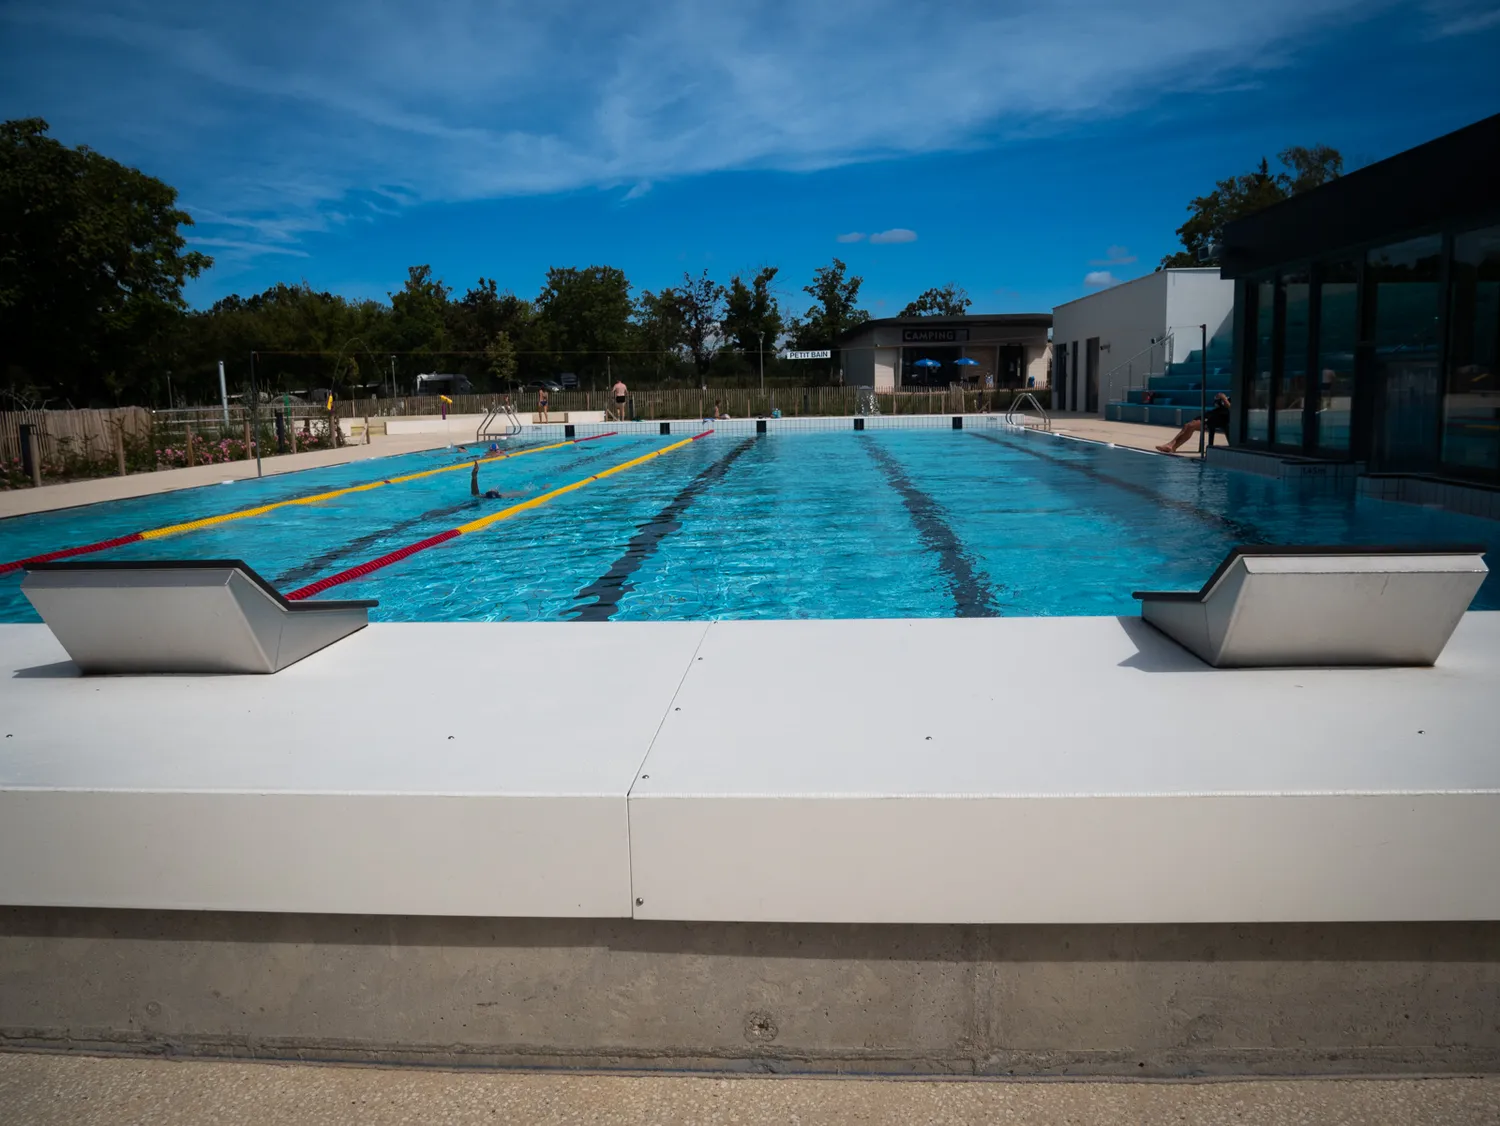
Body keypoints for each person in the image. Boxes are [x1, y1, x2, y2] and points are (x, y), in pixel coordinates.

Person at [1157, 393, 1230, 454]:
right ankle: (1171, 446)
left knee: (1191, 426)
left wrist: (1224, 398)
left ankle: (1172, 446)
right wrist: (1218, 399)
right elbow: (1218, 405)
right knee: (1187, 425)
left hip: (1220, 418)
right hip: (1213, 414)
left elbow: (1232, 409)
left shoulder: (1236, 398)